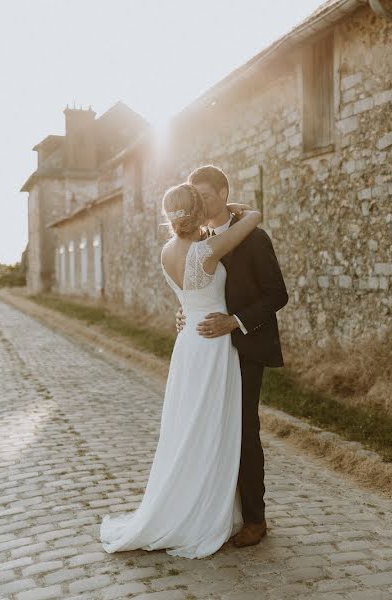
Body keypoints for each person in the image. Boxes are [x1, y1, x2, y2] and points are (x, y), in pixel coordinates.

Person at [99, 181, 262, 558]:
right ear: (198, 211)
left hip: (189, 339)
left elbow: (188, 297)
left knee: (188, 425)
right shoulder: (207, 249)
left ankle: (188, 502)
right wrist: (225, 206)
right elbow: (253, 217)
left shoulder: (166, 251)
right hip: (213, 342)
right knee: (210, 427)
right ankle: (202, 513)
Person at [176, 164, 288, 547]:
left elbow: (277, 295)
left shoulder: (255, 239)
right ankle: (221, 511)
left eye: (205, 196)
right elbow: (198, 287)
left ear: (224, 194)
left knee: (243, 430)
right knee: (212, 429)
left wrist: (235, 322)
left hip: (245, 345)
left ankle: (256, 519)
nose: (199, 204)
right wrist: (187, 313)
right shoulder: (200, 240)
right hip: (208, 352)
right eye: (194, 198)